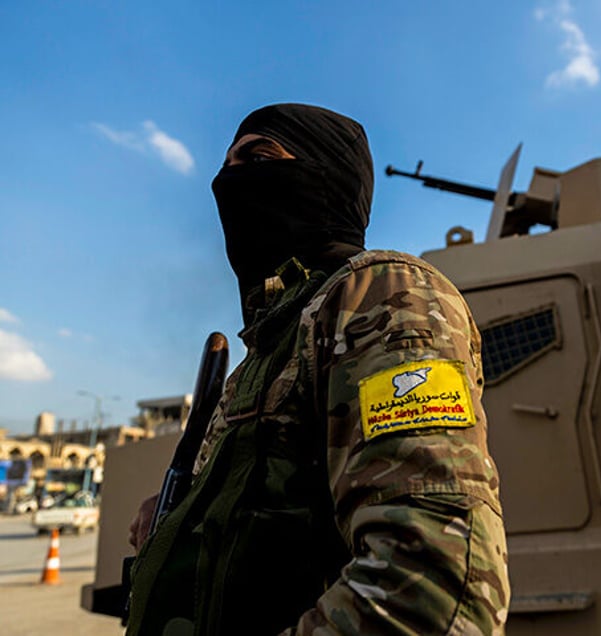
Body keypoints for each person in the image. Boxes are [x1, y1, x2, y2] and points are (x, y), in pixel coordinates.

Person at [126, 103, 511, 635]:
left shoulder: (380, 295)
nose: (229, 180)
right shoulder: (267, 350)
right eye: (228, 163)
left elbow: (429, 587)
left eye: (258, 157)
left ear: (325, 177)